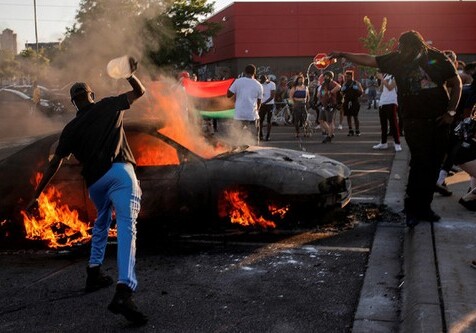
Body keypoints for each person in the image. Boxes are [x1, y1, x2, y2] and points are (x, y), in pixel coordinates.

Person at [25, 57, 148, 325]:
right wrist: (128, 74)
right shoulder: (108, 105)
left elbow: (55, 164)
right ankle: (125, 290)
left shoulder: (70, 128)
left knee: (102, 222)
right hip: (119, 173)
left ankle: (94, 271)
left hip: (95, 183)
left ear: (74, 103)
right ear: (91, 95)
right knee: (127, 227)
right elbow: (140, 92)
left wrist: (37, 195)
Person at [330, 30, 462, 227]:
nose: (401, 51)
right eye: (400, 48)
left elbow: (456, 83)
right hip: (413, 121)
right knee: (419, 164)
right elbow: (370, 59)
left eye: (405, 48)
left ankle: (424, 208)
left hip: (439, 121)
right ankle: (412, 210)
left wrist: (451, 113)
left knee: (434, 165)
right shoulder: (398, 59)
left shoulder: (437, 58)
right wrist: (343, 54)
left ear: (417, 47)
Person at [227, 64, 263, 143]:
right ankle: (254, 152)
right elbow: (259, 101)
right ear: (255, 73)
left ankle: (236, 152)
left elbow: (228, 95)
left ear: (244, 72)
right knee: (253, 139)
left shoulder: (238, 81)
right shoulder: (259, 85)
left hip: (239, 114)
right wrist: (257, 111)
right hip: (252, 115)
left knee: (236, 137)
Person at [372, 72, 402, 152]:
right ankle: (383, 142)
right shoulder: (385, 76)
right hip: (383, 102)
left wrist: (382, 78)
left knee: (393, 123)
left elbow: (390, 87)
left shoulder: (395, 76)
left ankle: (397, 143)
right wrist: (381, 79)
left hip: (391, 101)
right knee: (383, 124)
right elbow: (380, 89)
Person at [317, 71, 341, 143]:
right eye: (324, 76)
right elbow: (322, 93)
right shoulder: (324, 84)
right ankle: (330, 133)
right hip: (324, 104)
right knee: (321, 120)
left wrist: (331, 92)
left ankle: (329, 136)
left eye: (326, 76)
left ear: (330, 76)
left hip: (330, 104)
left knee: (330, 121)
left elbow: (339, 86)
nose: (324, 77)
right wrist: (321, 96)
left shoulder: (332, 83)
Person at [340, 70, 363, 136]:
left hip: (355, 101)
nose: (347, 78)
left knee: (355, 116)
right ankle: (350, 130)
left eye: (348, 76)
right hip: (347, 101)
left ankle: (357, 130)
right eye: (346, 76)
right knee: (348, 116)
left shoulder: (356, 83)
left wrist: (357, 89)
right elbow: (341, 93)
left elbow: (361, 92)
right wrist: (342, 90)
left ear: (351, 76)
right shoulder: (344, 84)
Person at [289, 73, 309, 138]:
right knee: (296, 119)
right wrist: (292, 105)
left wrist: (307, 103)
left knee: (304, 119)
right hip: (296, 104)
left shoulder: (306, 88)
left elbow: (308, 96)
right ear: (297, 80)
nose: (301, 81)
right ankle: (297, 132)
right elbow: (290, 97)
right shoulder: (294, 88)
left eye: (302, 80)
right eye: (299, 80)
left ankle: (305, 132)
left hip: (304, 104)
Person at [258, 74, 276, 141]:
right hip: (261, 105)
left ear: (266, 79)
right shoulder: (260, 84)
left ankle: (268, 135)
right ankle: (260, 135)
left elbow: (272, 96)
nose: (261, 82)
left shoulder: (272, 84)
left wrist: (264, 102)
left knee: (269, 120)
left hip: (269, 104)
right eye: (261, 81)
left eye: (263, 80)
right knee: (260, 120)